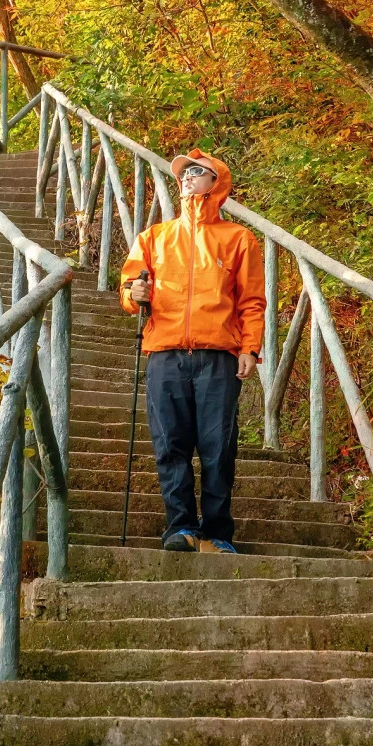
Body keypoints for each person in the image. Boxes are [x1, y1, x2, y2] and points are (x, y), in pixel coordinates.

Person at [120, 150, 266, 554]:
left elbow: (252, 301)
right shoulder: (154, 238)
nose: (187, 177)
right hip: (164, 353)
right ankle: (181, 528)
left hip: (218, 355)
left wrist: (250, 349)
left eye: (198, 172)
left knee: (218, 446)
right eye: (184, 172)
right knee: (170, 444)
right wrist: (134, 294)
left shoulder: (238, 238)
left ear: (216, 182)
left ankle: (217, 532)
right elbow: (129, 290)